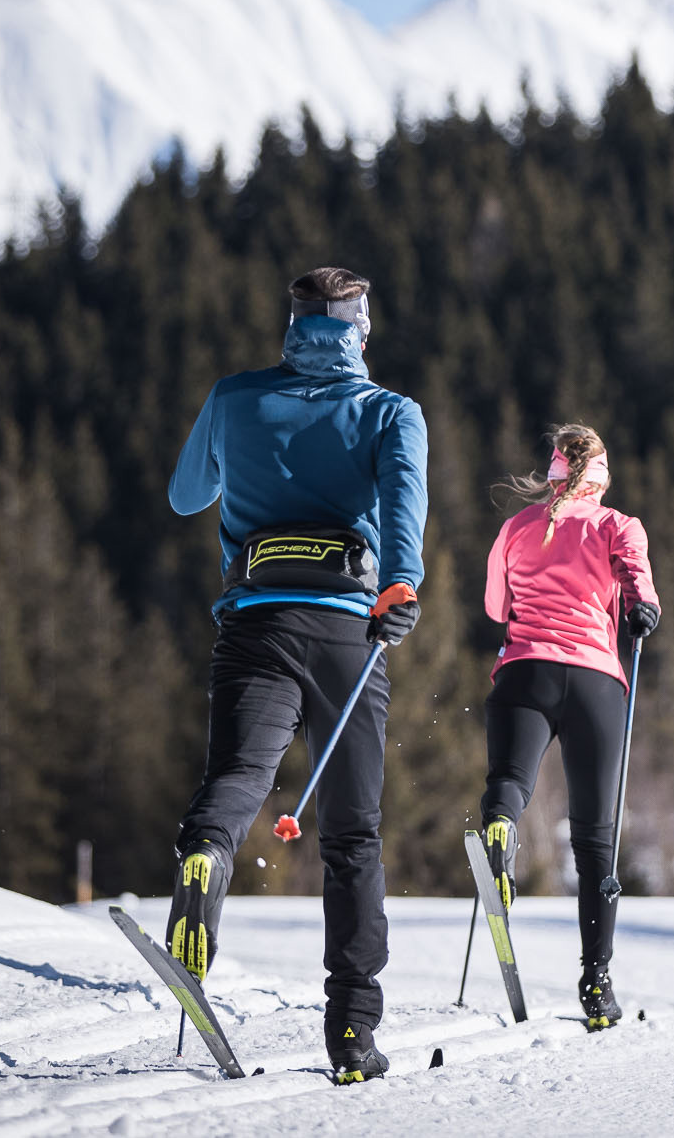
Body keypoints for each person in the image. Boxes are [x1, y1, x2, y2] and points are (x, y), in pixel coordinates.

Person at [164, 266, 427, 1085]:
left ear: (293, 323)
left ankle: (207, 854)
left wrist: (245, 448)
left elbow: (184, 496)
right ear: (361, 326)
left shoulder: (234, 396)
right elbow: (402, 502)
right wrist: (401, 584)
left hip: (255, 620)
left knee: (237, 777)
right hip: (349, 631)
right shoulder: (390, 411)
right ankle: (352, 1030)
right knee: (350, 835)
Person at [479, 424, 660, 1030]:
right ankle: (596, 982)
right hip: (593, 682)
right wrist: (641, 608)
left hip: (523, 672)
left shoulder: (516, 527)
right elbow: (636, 579)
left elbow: (496, 608)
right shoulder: (617, 525)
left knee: (509, 781)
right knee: (594, 839)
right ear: (600, 479)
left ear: (554, 473)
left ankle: (501, 826)